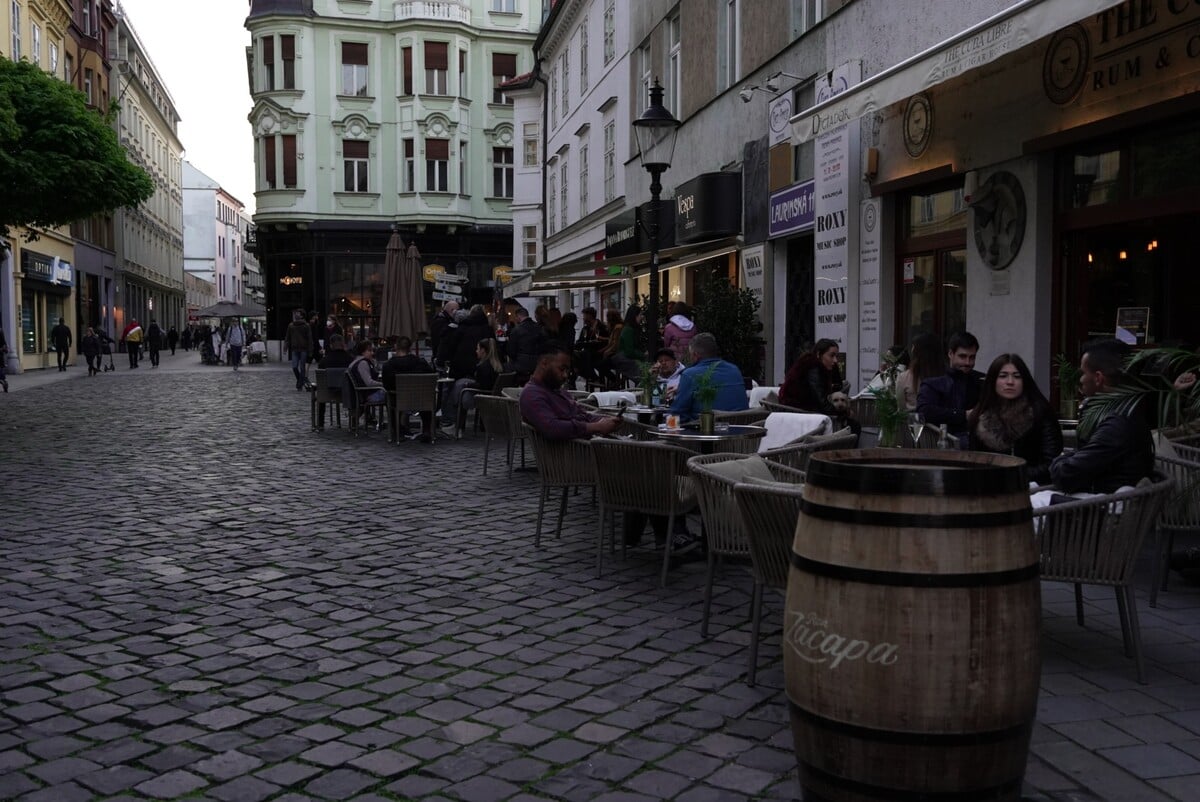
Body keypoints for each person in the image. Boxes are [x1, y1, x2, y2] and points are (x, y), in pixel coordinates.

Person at [1048, 339, 1154, 494]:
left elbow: (1067, 475)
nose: (1080, 379)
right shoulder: (1126, 409)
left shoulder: (1117, 424)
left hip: (1101, 507)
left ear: (1098, 378)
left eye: (1083, 373)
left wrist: (1059, 460)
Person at [967, 354, 1063, 485]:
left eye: (1017, 376)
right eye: (1003, 376)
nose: (1010, 382)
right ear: (993, 380)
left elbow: (1051, 462)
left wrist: (1014, 476)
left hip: (1034, 489)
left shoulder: (1040, 412)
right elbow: (973, 460)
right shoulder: (980, 416)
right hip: (988, 489)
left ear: (1025, 381)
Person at [917, 331, 985, 447]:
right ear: (950, 354)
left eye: (972, 357)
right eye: (962, 356)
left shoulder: (982, 381)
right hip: (942, 444)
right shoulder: (933, 384)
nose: (967, 362)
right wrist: (964, 415)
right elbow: (924, 411)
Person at [779, 338, 860, 436]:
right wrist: (844, 413)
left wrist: (834, 370)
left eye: (836, 356)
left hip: (807, 410)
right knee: (854, 426)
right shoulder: (814, 369)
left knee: (853, 424)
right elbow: (822, 403)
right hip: (800, 413)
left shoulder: (820, 366)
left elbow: (838, 385)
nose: (835, 360)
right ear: (818, 354)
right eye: (831, 356)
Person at [668, 333, 749, 420]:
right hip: (740, 428)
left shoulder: (690, 374)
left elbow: (677, 412)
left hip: (705, 430)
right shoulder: (734, 370)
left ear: (695, 355)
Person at [381, 336, 437, 441]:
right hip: (420, 399)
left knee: (388, 396)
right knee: (426, 394)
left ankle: (396, 429)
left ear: (395, 347)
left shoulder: (388, 366)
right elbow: (431, 377)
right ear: (410, 348)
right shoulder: (421, 363)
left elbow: (386, 385)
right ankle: (426, 430)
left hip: (398, 399)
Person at [442, 338, 504, 431]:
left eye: (477, 349)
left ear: (483, 350)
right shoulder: (498, 366)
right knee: (462, 389)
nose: (476, 351)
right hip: (494, 395)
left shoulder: (482, 367)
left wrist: (467, 385)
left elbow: (482, 386)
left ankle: (458, 425)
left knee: (461, 393)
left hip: (484, 397)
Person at [440, 304, 494, 379]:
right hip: (482, 367)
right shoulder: (488, 329)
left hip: (461, 368)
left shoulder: (463, 327)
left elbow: (452, 346)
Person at [895, 334, 945, 411]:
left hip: (913, 421)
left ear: (915, 351)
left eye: (913, 346)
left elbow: (901, 408)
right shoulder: (946, 377)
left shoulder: (904, 377)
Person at [315, 334, 354, 430]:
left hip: (328, 393)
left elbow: (321, 382)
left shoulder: (323, 362)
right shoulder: (351, 360)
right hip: (348, 393)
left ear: (331, 345)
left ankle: (320, 423)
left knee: (320, 390)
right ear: (343, 344)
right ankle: (354, 421)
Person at [347, 340, 386, 424]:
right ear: (362, 352)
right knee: (393, 395)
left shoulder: (355, 361)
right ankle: (397, 424)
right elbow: (369, 383)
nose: (372, 353)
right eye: (369, 350)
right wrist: (384, 384)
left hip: (361, 394)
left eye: (372, 350)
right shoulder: (363, 363)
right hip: (366, 395)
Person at [506, 305, 545, 381]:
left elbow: (511, 352)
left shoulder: (516, 330)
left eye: (516, 317)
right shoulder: (539, 328)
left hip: (520, 365)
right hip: (537, 364)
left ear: (518, 316)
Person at [608, 305, 646, 382]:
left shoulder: (632, 329)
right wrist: (643, 355)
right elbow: (629, 352)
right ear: (634, 316)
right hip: (624, 359)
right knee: (642, 368)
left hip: (626, 357)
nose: (641, 317)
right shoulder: (628, 330)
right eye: (640, 315)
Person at [285, 310, 313, 391]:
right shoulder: (291, 325)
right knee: (294, 367)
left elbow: (309, 339)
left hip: (303, 349)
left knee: (302, 367)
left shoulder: (306, 325)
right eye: (295, 313)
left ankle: (299, 384)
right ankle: (301, 381)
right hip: (294, 349)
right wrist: (285, 347)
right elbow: (287, 337)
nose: (296, 315)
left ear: (302, 316)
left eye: (298, 313)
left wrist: (310, 350)